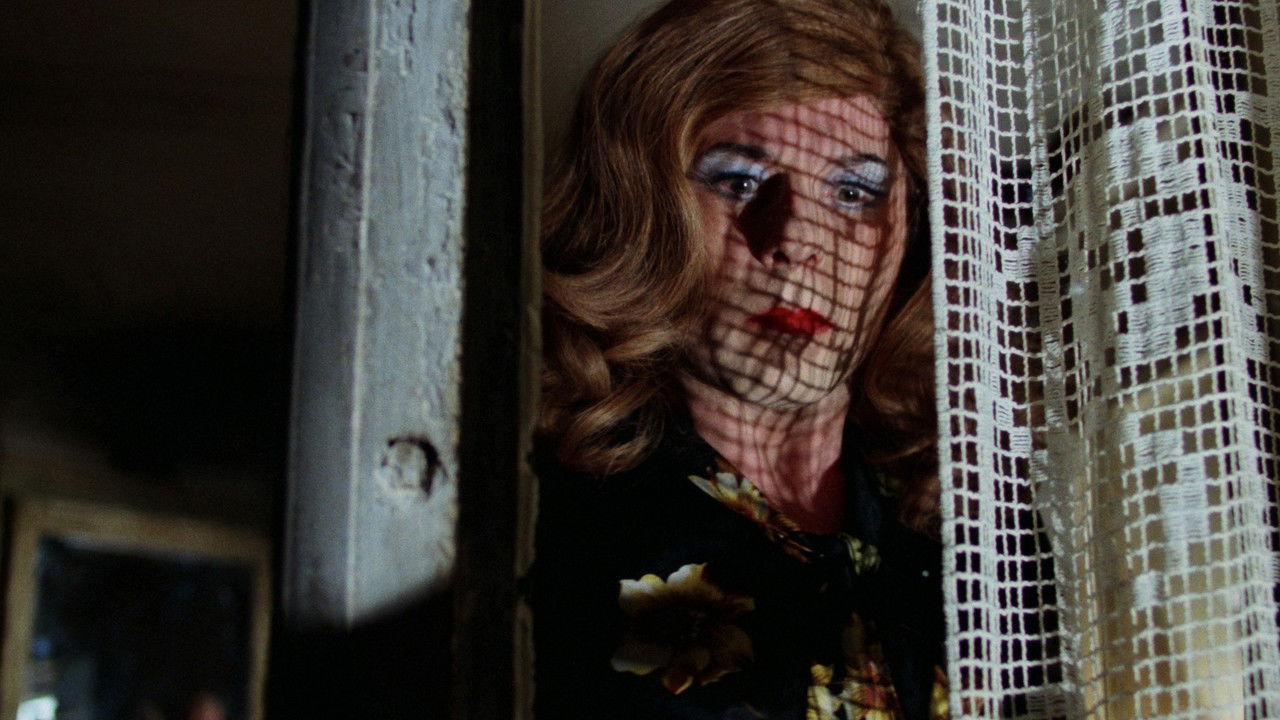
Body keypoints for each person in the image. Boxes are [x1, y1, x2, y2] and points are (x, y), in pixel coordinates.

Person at [534, 0, 942, 717]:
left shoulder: (963, 523)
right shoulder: (553, 518)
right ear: (647, 208)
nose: (796, 236)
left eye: (853, 192)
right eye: (738, 182)